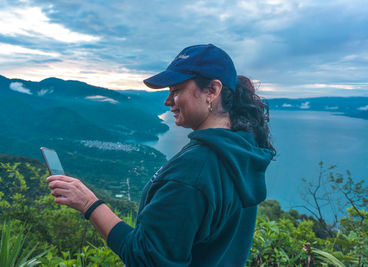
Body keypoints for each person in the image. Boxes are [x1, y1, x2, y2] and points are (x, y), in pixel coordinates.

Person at [47, 44, 275, 266]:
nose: (167, 102)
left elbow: (145, 258)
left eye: (176, 91)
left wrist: (89, 203)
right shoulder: (242, 151)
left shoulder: (194, 171)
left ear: (213, 91)